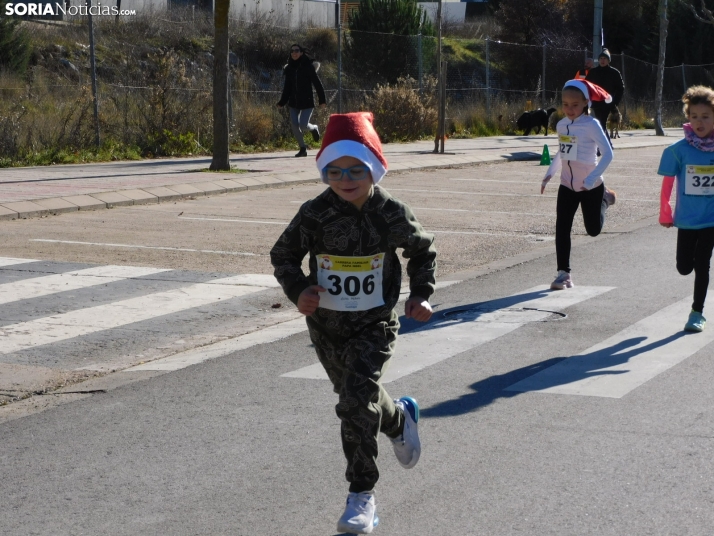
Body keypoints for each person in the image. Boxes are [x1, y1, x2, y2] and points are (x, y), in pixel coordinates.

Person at [270, 112, 437, 534]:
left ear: (374, 168)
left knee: (352, 404)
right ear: (324, 171)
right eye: (335, 171)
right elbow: (284, 255)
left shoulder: (390, 212)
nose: (346, 179)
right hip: (326, 329)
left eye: (356, 169)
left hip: (374, 325)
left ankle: (362, 496)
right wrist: (299, 290)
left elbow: (422, 250)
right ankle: (399, 419)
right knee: (356, 398)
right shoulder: (314, 213)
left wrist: (420, 294)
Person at [541, 79, 616, 290]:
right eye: (565, 104)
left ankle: (605, 199)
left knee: (593, 230)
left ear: (586, 103)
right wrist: (549, 174)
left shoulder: (592, 125)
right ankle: (563, 274)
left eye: (575, 104)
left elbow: (609, 154)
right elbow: (563, 151)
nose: (569, 109)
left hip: (591, 186)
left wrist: (592, 179)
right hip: (567, 184)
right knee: (562, 226)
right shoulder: (561, 124)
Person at [658, 85, 714, 332]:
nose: (699, 122)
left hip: (711, 218)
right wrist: (664, 211)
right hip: (687, 219)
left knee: (703, 265)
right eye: (694, 116)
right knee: (684, 267)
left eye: (705, 116)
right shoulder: (678, 150)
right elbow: (668, 182)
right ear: (688, 117)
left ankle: (696, 312)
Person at [277, 44, 327, 157]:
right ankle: (302, 148)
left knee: (303, 125)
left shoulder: (308, 67)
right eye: (292, 51)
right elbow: (287, 88)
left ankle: (314, 128)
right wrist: (282, 102)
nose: (294, 53)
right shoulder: (289, 68)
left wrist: (322, 100)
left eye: (297, 50)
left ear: (301, 53)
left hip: (307, 102)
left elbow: (317, 84)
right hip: (293, 103)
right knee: (295, 125)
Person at [586, 48, 625, 143]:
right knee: (600, 123)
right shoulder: (593, 72)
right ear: (598, 60)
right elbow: (586, 85)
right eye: (601, 58)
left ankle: (602, 147)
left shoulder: (614, 73)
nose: (602, 60)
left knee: (601, 123)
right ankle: (608, 145)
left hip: (608, 103)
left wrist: (615, 102)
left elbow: (620, 88)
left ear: (608, 60)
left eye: (605, 58)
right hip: (596, 103)